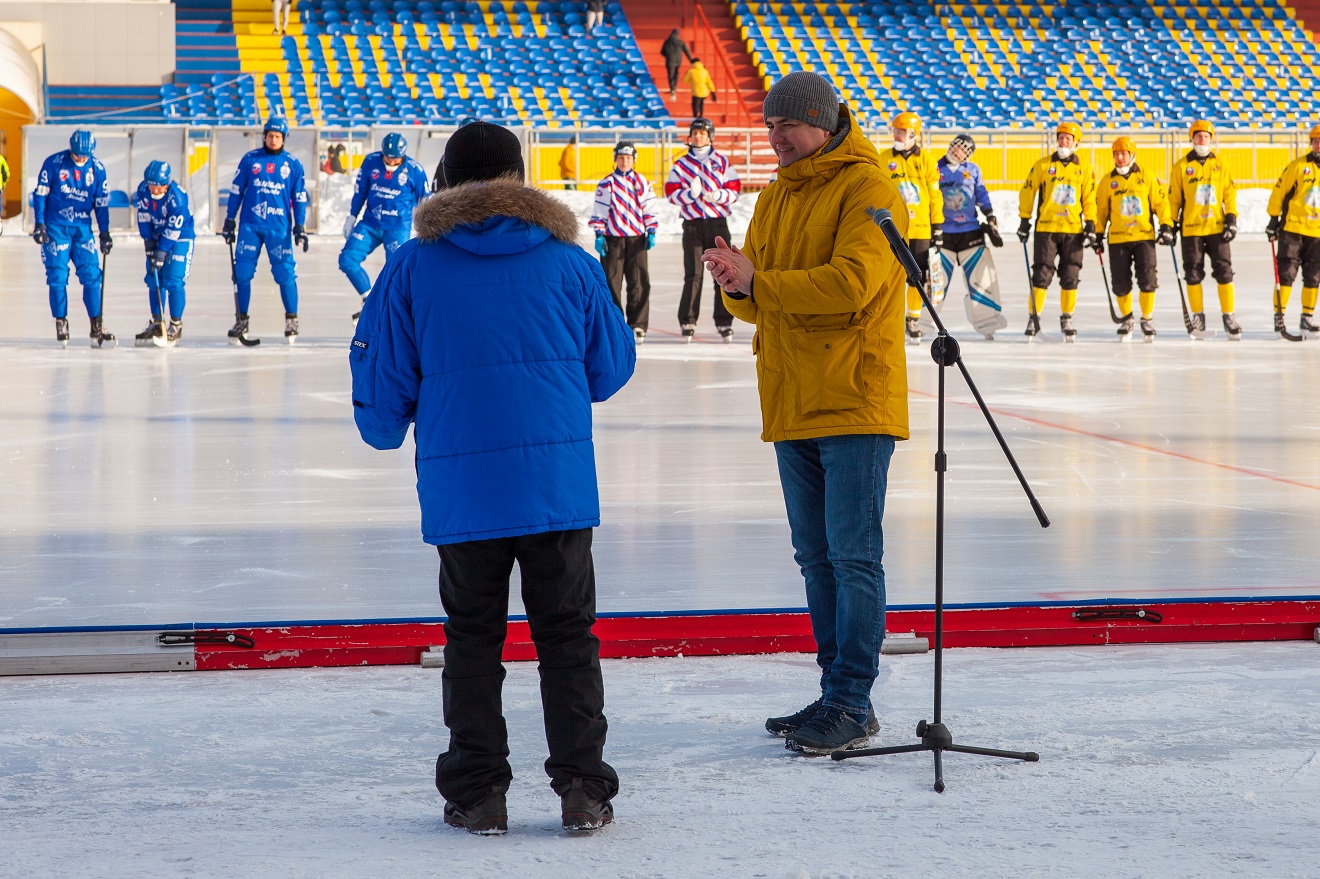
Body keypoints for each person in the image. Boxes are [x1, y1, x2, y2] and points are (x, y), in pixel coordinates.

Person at [349, 121, 635, 836]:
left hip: (464, 494)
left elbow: (382, 401)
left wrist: (387, 423)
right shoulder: (573, 261)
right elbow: (611, 369)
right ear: (520, 177)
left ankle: (479, 793)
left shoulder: (412, 266)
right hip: (557, 486)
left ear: (445, 181)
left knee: (472, 638)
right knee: (567, 636)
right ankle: (583, 787)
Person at [701, 71, 909, 756]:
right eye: (769, 128)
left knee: (853, 556)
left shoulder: (869, 190)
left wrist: (759, 280)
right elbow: (762, 298)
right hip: (792, 400)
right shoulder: (775, 200)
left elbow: (852, 287)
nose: (775, 138)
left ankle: (853, 698)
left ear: (822, 122)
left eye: (786, 125)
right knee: (815, 557)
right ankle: (836, 693)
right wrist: (737, 281)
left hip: (852, 398)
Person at [220, 116, 308, 344]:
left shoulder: (293, 164)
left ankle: (292, 319)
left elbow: (299, 198)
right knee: (242, 274)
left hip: (278, 229)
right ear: (264, 136)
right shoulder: (250, 159)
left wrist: (300, 226)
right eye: (270, 135)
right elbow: (237, 190)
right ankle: (242, 320)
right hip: (250, 226)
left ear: (284, 139)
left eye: (278, 136)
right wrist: (229, 219)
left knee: (285, 274)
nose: (274, 139)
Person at [30, 129, 115, 347]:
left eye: (85, 155)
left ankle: (96, 322)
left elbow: (101, 203)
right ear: (71, 149)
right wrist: (39, 224)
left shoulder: (97, 169)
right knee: (57, 275)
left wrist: (104, 232)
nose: (81, 159)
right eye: (78, 155)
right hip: (56, 227)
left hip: (82, 228)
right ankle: (61, 320)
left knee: (92, 274)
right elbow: (40, 195)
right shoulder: (54, 163)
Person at [1017, 120, 1097, 341]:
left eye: (1068, 138)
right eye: (1061, 137)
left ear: (1076, 143)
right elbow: (1028, 191)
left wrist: (1091, 223)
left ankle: (1067, 318)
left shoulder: (1084, 168)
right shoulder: (1043, 165)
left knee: (1071, 275)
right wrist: (1025, 219)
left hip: (1073, 230)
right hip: (1047, 229)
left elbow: (1089, 198)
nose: (1063, 141)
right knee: (1041, 275)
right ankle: (1034, 317)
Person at [664, 117, 741, 342]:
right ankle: (688, 320)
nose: (698, 137)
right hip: (692, 224)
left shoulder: (722, 162)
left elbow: (734, 191)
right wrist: (690, 194)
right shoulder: (681, 165)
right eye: (695, 133)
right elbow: (670, 193)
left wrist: (718, 195)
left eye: (703, 133)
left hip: (717, 223)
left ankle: (724, 321)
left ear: (710, 136)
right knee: (693, 274)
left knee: (724, 271)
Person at [340, 132, 429, 318]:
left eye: (395, 159)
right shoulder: (370, 162)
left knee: (396, 272)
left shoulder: (415, 170)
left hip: (397, 228)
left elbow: (426, 201)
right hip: (370, 224)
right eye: (387, 157)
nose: (391, 162)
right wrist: (351, 217)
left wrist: (428, 228)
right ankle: (369, 299)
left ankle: (393, 311)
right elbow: (360, 192)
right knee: (347, 259)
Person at [1094, 136, 1172, 341]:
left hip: (1143, 237)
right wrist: (1097, 234)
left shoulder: (1146, 176)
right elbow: (1100, 210)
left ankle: (1146, 319)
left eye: (1123, 153)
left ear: (1131, 155)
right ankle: (1127, 319)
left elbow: (1161, 203)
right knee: (1120, 283)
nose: (1120, 158)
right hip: (1118, 239)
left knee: (1148, 280)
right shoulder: (1107, 182)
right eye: (1116, 154)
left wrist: (1166, 225)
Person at [1169, 120, 1241, 339]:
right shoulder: (1181, 166)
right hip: (1191, 230)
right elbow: (1174, 199)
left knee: (1225, 272)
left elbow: (1229, 193)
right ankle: (1198, 317)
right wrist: (1170, 224)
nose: (1202, 140)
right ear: (1192, 139)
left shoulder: (1221, 164)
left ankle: (1229, 316)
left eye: (1206, 137)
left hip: (1216, 228)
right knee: (1192, 274)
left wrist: (1231, 217)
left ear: (1212, 139)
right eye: (1198, 136)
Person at [933, 132, 1007, 340]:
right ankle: (921, 320)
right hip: (943, 233)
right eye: (957, 146)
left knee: (980, 278)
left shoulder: (973, 171)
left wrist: (990, 216)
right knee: (936, 279)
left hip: (970, 232)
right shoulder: (934, 167)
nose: (958, 151)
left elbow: (981, 193)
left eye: (964, 150)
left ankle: (986, 320)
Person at [884, 111, 944, 344]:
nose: (896, 135)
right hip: (892, 229)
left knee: (917, 278)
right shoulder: (883, 158)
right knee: (889, 277)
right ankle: (891, 317)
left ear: (912, 133)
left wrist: (937, 226)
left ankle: (913, 319)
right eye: (895, 130)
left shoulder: (927, 160)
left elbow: (934, 195)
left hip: (920, 229)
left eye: (900, 131)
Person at [589, 141, 657, 342]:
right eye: (621, 158)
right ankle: (615, 322)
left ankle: (638, 323)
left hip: (637, 238)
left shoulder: (642, 182)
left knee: (638, 281)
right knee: (611, 282)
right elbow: (599, 211)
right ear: (615, 160)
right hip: (613, 239)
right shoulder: (606, 184)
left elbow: (650, 208)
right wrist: (599, 234)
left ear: (633, 160)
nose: (624, 161)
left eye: (628, 158)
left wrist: (651, 229)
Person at [1265, 123, 1320, 339]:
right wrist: (1273, 219)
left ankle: (1307, 318)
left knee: (1314, 277)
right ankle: (1280, 317)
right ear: (1311, 143)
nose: (1319, 144)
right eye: (1316, 141)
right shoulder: (1297, 166)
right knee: (1286, 274)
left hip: (1317, 233)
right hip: (1293, 229)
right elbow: (1279, 192)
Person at [132, 161, 195, 347]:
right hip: (157, 236)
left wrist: (161, 252)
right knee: (154, 279)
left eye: (157, 186)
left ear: (166, 184)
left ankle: (176, 324)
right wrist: (149, 242)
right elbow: (143, 217)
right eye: (150, 184)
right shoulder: (144, 190)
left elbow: (174, 229)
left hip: (180, 238)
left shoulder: (178, 197)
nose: (153, 188)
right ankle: (157, 323)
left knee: (173, 279)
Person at [660, 28, 694, 100]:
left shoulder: (667, 42)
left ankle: (672, 88)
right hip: (678, 60)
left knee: (670, 75)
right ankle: (675, 86)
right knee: (676, 73)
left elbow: (662, 52)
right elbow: (687, 51)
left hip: (670, 60)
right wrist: (691, 60)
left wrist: (668, 55)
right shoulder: (681, 42)